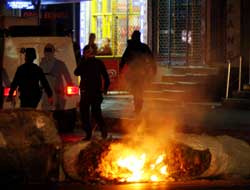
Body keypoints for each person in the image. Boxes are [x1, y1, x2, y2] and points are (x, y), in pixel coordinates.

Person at [74, 45, 110, 141]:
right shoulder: (94, 62)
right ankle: (97, 131)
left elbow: (76, 72)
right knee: (91, 112)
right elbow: (106, 77)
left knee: (90, 113)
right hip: (91, 92)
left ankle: (94, 132)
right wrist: (105, 89)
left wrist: (82, 61)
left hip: (90, 92)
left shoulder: (90, 63)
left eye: (86, 53)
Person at [120, 30, 157, 114]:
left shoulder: (132, 47)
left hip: (138, 72)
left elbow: (123, 59)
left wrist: (121, 69)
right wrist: (153, 68)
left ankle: (138, 106)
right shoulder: (141, 47)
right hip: (139, 72)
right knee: (138, 90)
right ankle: (138, 106)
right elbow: (151, 58)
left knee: (137, 90)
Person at [40, 43, 73, 110]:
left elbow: (67, 77)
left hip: (57, 92)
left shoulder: (59, 64)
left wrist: (70, 85)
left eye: (49, 51)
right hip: (46, 92)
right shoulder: (41, 64)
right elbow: (67, 77)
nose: (48, 53)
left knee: (57, 109)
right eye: (47, 51)